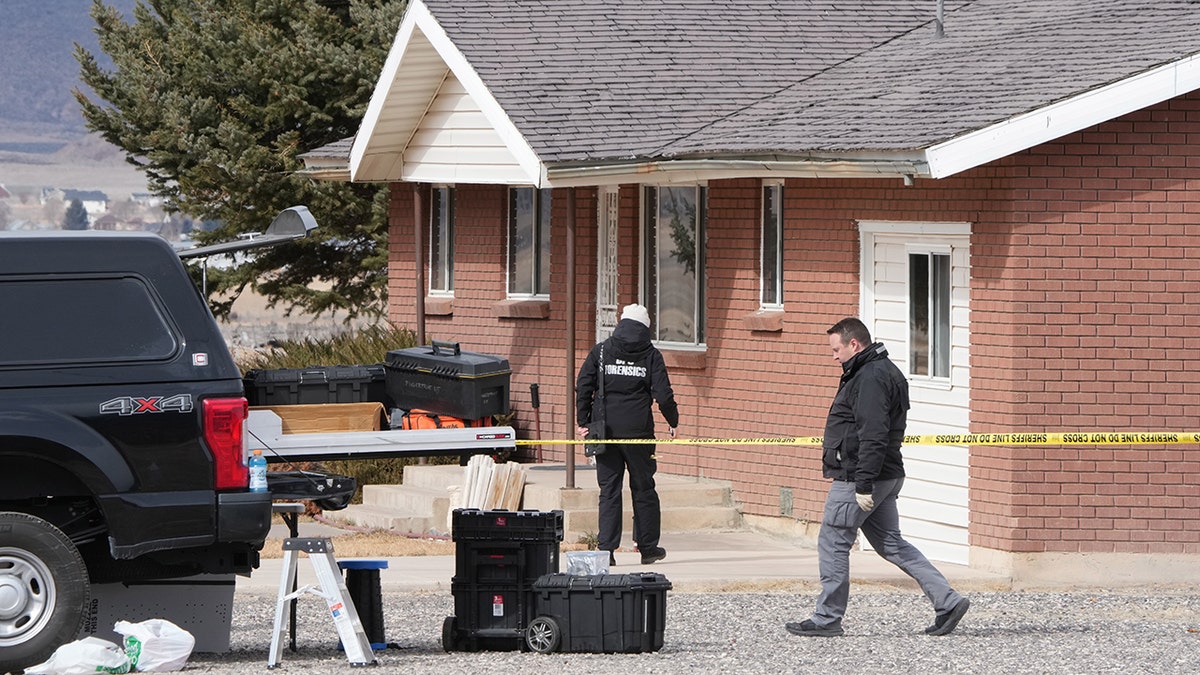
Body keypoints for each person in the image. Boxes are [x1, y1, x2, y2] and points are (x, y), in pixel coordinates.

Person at [786, 317, 970, 638]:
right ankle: (948, 600)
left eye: (836, 349)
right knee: (891, 544)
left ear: (853, 344)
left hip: (861, 476)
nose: (834, 356)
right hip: (886, 474)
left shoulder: (869, 378)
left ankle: (827, 618)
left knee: (833, 541)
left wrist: (863, 484)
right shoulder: (883, 371)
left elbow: (873, 434)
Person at [576, 303, 679, 566]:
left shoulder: (601, 352)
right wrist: (673, 421)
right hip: (639, 433)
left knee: (608, 490)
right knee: (644, 488)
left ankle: (606, 551)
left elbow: (583, 385)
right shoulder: (651, 355)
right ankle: (647, 548)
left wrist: (583, 421)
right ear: (645, 328)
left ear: (621, 324)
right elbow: (664, 395)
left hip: (604, 431)